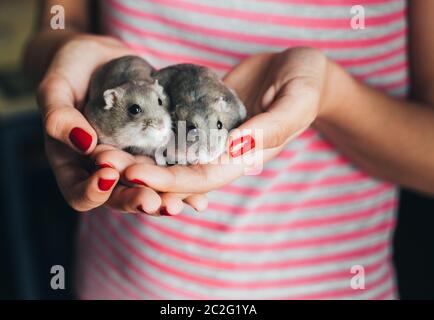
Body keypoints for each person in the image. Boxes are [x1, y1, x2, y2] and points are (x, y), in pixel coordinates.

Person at [25, 0, 434, 299]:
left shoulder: (223, 110)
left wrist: (326, 94)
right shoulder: (146, 110)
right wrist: (64, 54)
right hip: (118, 277)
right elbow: (56, 25)